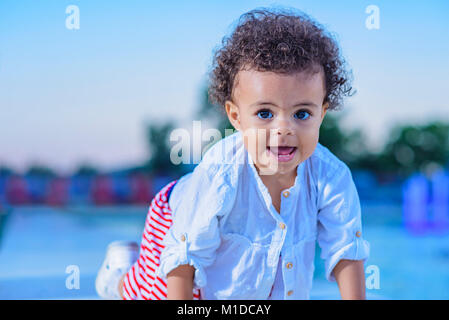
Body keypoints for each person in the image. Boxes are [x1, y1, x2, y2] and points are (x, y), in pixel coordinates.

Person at [95, 7, 370, 300]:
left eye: (302, 114)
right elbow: (183, 258)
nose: (284, 129)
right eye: (265, 113)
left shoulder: (332, 177)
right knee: (148, 293)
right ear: (236, 117)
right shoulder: (220, 174)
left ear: (322, 114)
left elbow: (346, 253)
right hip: (178, 222)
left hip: (224, 245)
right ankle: (119, 276)